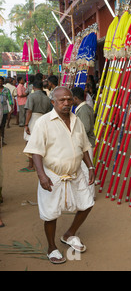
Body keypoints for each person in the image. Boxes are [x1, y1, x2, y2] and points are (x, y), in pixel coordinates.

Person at [23, 86, 95, 264]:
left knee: (87, 204)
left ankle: (69, 234)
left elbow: (84, 146)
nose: (66, 103)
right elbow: (36, 152)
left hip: (76, 173)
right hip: (53, 175)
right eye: (61, 100)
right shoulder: (44, 122)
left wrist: (91, 167)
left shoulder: (76, 120)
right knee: (51, 214)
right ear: (53, 102)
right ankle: (51, 247)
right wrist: (41, 175)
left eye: (69, 99)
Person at [20, 80, 52, 172]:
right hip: (43, 119)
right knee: (41, 142)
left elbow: (29, 111)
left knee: (29, 142)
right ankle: (40, 163)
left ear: (33, 88)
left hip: (33, 119)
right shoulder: (46, 98)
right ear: (42, 87)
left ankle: (31, 165)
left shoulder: (31, 96)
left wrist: (26, 124)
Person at [0, 77, 13, 145]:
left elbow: (10, 99)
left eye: (1, 81)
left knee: (2, 126)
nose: (0, 82)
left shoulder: (6, 90)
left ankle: (2, 140)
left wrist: (12, 107)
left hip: (4, 110)